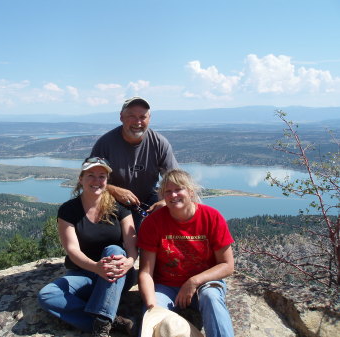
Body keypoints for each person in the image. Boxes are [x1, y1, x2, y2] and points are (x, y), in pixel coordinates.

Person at [37, 157, 138, 337]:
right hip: (84, 273)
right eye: (91, 175)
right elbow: (72, 250)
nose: (96, 181)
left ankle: (100, 326)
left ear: (107, 181)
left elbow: (132, 246)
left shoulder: (119, 207)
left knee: (114, 250)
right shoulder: (69, 210)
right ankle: (108, 320)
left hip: (118, 275)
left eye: (101, 176)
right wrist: (95, 267)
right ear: (81, 178)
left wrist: (129, 262)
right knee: (47, 295)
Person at [137, 169, 235, 337]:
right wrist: (153, 309)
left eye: (178, 189)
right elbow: (146, 272)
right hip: (166, 286)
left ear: (190, 191)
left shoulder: (212, 217)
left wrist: (193, 281)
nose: (173, 195)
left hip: (203, 284)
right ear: (162, 196)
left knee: (211, 297)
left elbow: (227, 265)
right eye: (168, 191)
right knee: (151, 322)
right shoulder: (153, 223)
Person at [90, 96, 179, 230]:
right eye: (131, 116)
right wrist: (114, 190)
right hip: (112, 202)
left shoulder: (159, 143)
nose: (137, 122)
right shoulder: (105, 144)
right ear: (121, 117)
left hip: (148, 203)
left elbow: (177, 180)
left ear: (149, 119)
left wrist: (165, 201)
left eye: (143, 117)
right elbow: (88, 181)